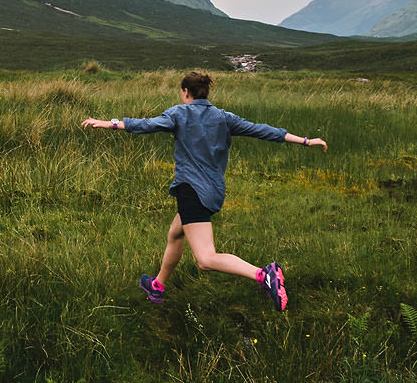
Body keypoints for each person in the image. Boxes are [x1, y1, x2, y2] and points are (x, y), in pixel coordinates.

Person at [82, 70, 327, 311]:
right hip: (212, 192)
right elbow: (262, 130)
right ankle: (157, 285)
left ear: (185, 91)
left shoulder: (179, 113)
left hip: (192, 193)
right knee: (176, 233)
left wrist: (109, 124)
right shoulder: (224, 117)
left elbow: (147, 125)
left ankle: (265, 275)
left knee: (205, 259)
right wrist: (305, 141)